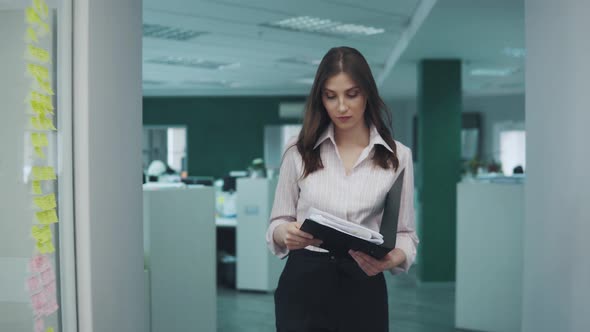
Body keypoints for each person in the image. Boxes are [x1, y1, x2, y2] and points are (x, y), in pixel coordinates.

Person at [265, 46, 419, 332]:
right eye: (330, 96)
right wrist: (285, 233)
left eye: (352, 94)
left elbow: (406, 234)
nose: (341, 107)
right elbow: (278, 221)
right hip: (304, 282)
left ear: (368, 94)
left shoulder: (398, 157)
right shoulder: (298, 150)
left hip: (363, 282)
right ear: (320, 98)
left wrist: (390, 259)